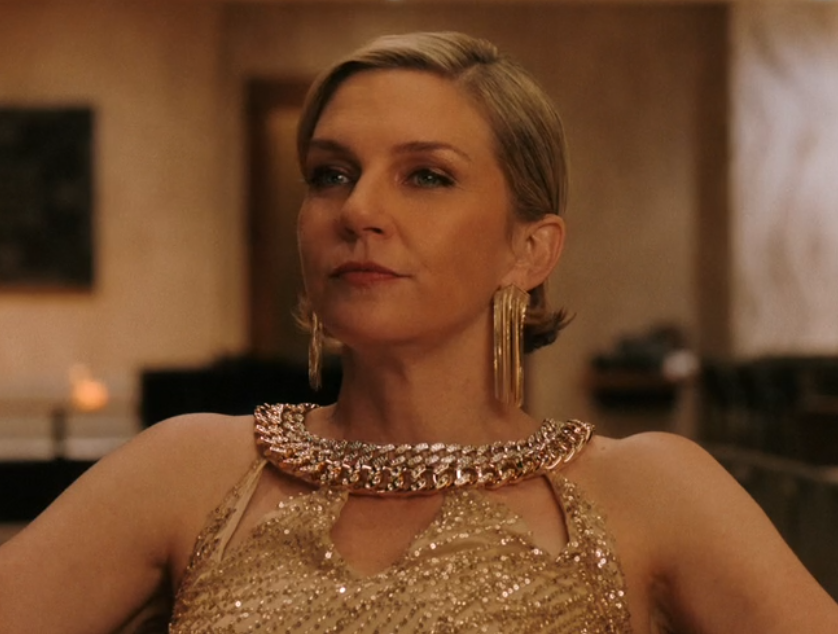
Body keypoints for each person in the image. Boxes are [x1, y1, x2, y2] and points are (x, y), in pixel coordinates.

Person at [1, 31, 837, 634]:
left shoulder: (649, 493)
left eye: (427, 176)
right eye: (331, 174)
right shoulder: (186, 471)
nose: (358, 209)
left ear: (530, 249)